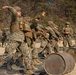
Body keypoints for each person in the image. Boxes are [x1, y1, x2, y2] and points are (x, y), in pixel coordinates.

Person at [0, 6, 34, 74]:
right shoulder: (14, 18)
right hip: (14, 39)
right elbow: (14, 12)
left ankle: (28, 70)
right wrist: (8, 7)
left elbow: (30, 25)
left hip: (21, 40)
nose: (19, 12)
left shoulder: (22, 20)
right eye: (18, 11)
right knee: (7, 54)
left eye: (20, 11)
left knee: (27, 54)